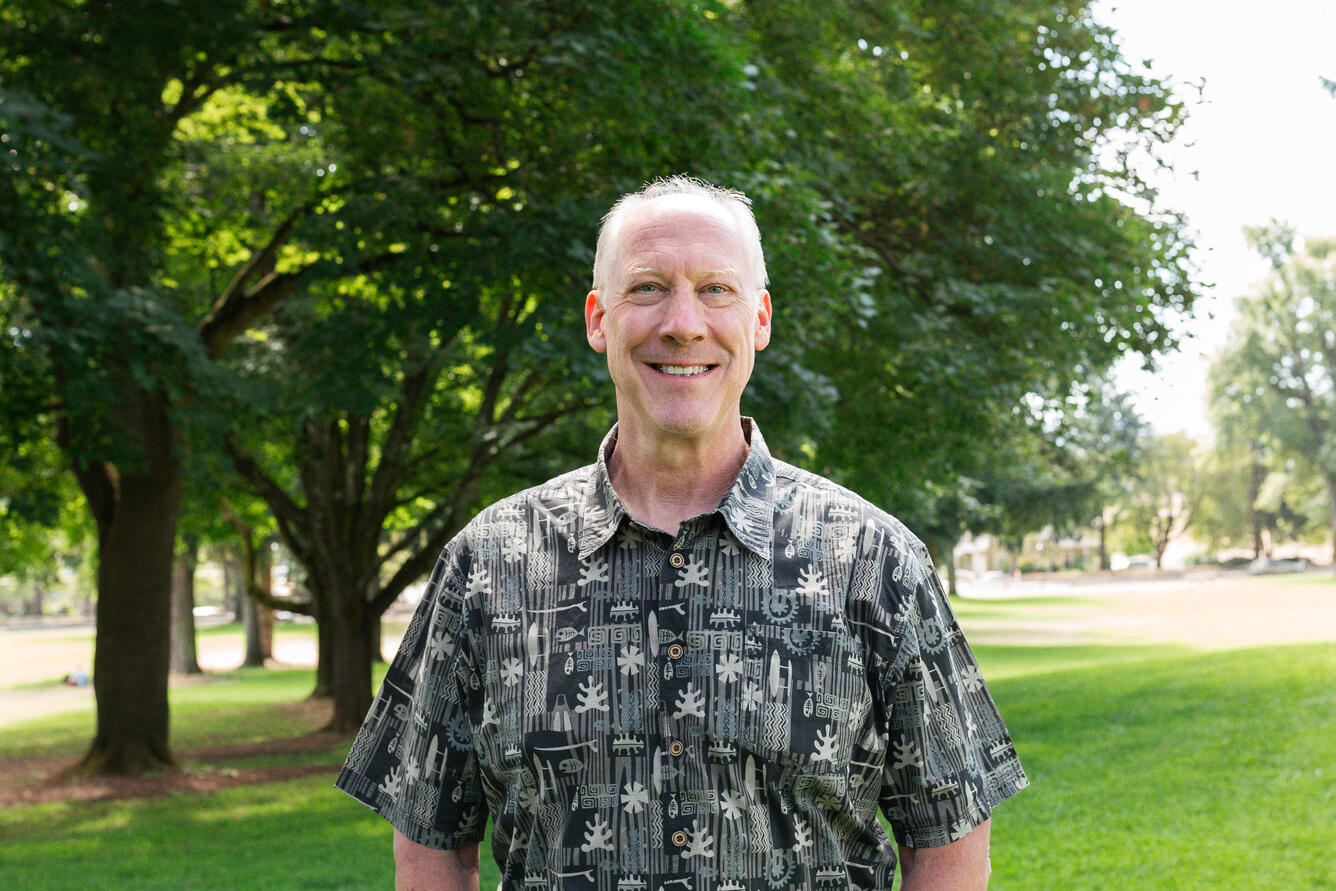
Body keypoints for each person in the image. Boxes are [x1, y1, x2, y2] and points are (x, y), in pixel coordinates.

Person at [335, 176, 1027, 890]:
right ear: (598, 319)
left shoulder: (875, 561)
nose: (684, 323)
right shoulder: (488, 564)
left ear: (759, 319)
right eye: (647, 288)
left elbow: (948, 840)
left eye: (716, 289)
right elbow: (431, 846)